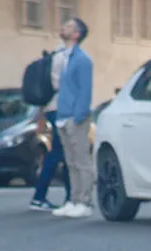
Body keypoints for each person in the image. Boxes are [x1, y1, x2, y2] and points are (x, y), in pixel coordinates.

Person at [52, 18, 96, 220]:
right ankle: (73, 198)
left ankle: (84, 201)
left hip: (75, 117)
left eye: (69, 26)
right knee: (70, 162)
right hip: (62, 115)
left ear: (77, 34)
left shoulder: (82, 60)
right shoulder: (64, 57)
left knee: (81, 161)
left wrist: (78, 115)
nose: (64, 28)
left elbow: (84, 91)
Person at [29, 33, 75, 211]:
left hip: (51, 108)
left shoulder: (53, 56)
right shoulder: (65, 58)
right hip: (62, 108)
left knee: (60, 152)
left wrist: (41, 115)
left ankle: (65, 197)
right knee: (61, 153)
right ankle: (45, 197)